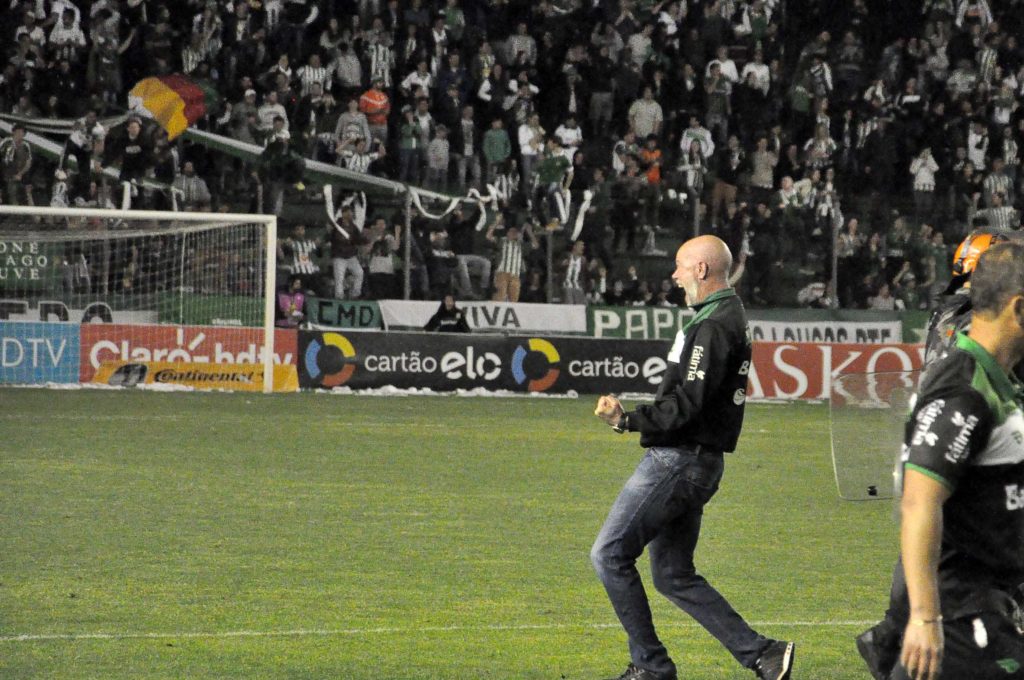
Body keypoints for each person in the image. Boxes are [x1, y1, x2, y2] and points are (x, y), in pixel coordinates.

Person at [591, 235, 795, 680]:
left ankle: (650, 667)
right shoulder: (721, 316)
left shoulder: (715, 323)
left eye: (681, 267)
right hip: (698, 463)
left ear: (701, 270)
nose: (675, 276)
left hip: (679, 462)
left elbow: (689, 402)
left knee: (608, 555)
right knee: (672, 574)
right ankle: (764, 653)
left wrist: (627, 421)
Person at [856, 229, 1012, 680]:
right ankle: (892, 642)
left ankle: (888, 642)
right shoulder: (974, 324)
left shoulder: (947, 311)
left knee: (925, 551)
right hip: (965, 448)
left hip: (934, 443)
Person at [892, 241, 1024, 680]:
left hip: (987, 609)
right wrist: (926, 619)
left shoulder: (994, 381)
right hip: (963, 620)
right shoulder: (964, 391)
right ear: (1018, 308)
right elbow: (919, 502)